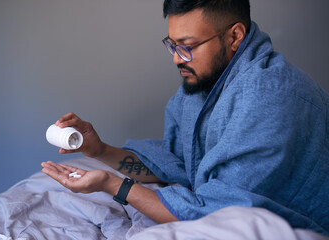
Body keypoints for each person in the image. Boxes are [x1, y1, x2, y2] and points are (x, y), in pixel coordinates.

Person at [41, 0, 329, 235]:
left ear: (235, 37)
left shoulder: (268, 96)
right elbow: (176, 164)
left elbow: (218, 210)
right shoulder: (206, 84)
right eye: (172, 44)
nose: (177, 58)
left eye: (188, 46)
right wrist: (99, 150)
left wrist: (112, 184)